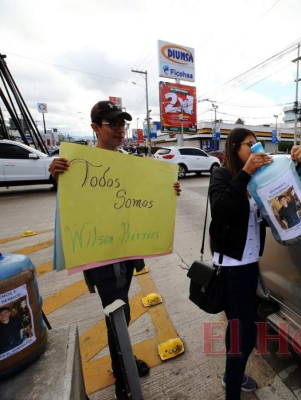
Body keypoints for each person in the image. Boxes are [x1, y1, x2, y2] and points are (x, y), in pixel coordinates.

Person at [49, 100, 182, 400]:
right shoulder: (77, 163)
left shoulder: (130, 163)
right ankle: (124, 377)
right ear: (95, 127)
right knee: (117, 313)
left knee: (122, 311)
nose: (120, 129)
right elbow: (71, 206)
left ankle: (121, 360)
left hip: (127, 251)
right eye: (113, 124)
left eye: (122, 124)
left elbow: (145, 201)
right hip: (100, 256)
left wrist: (167, 192)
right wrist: (56, 175)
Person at [208, 127, 272, 399]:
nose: (256, 150)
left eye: (258, 145)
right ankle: (232, 390)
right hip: (233, 267)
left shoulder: (256, 179)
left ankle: (231, 375)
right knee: (242, 334)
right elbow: (220, 210)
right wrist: (245, 173)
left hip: (251, 264)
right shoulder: (222, 175)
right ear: (235, 148)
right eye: (250, 145)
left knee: (243, 328)